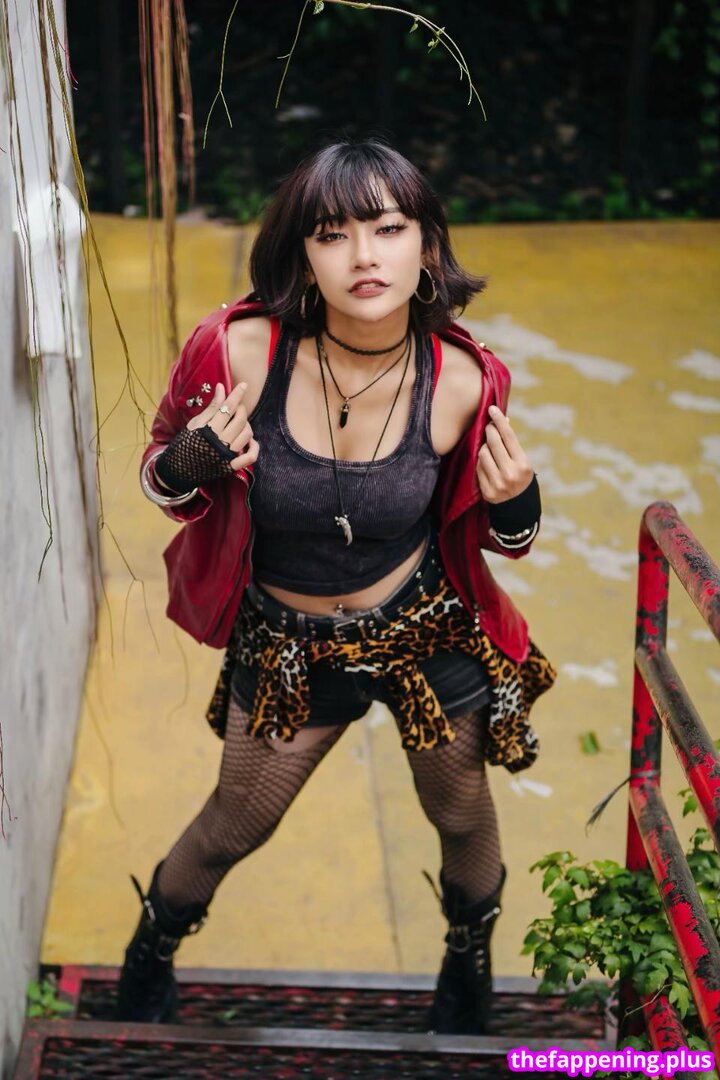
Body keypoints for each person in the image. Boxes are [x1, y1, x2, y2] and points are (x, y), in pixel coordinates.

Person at [115, 137, 555, 1034]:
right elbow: (158, 476)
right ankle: (149, 950)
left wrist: (520, 501)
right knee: (235, 824)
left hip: (422, 623)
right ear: (302, 254)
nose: (363, 256)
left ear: (427, 245)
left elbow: (500, 537)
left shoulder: (465, 380)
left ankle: (467, 960)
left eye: (388, 229)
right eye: (332, 234)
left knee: (460, 811)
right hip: (288, 641)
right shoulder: (236, 351)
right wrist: (192, 463)